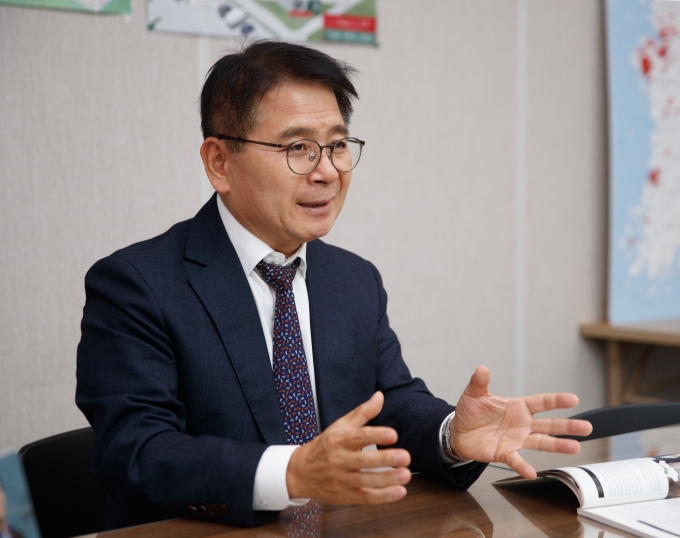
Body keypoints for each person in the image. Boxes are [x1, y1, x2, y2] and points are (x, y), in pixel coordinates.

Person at [75, 40, 592, 530]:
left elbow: (390, 400)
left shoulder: (353, 279)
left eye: (338, 145)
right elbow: (135, 451)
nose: (326, 172)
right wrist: (291, 473)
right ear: (220, 163)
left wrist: (451, 435)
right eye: (298, 147)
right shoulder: (137, 284)